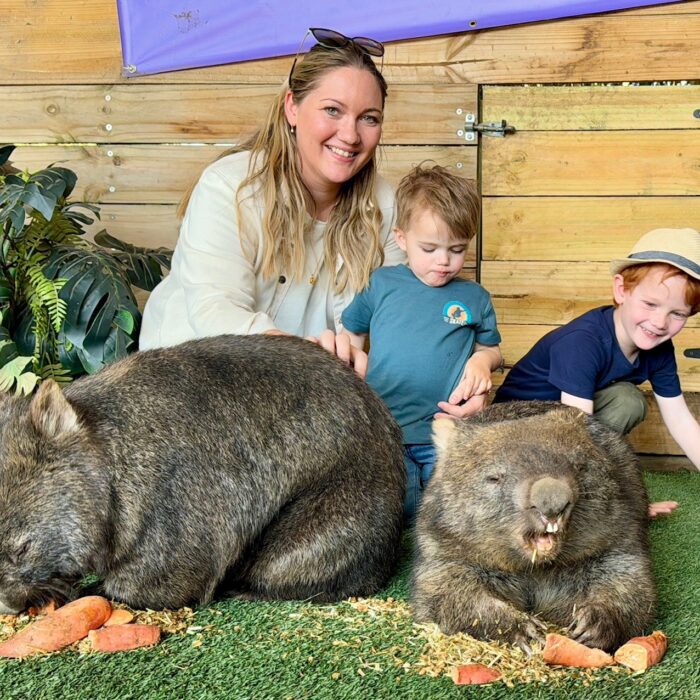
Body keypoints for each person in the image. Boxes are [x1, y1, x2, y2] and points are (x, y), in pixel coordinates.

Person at [139, 28, 405, 377]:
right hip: (192, 382)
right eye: (332, 110)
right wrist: (304, 360)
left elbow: (400, 314)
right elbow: (215, 309)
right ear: (292, 107)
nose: (351, 135)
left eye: (368, 118)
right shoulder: (230, 186)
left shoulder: (383, 205)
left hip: (309, 396)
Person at [494, 227, 700, 517]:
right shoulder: (583, 341)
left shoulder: (659, 348)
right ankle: (571, 500)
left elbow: (680, 419)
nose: (660, 322)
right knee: (591, 429)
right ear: (621, 290)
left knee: (627, 400)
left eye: (677, 313)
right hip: (513, 432)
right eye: (650, 304)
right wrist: (626, 502)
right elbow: (574, 430)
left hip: (562, 424)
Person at [341, 164, 503, 522]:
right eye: (429, 248)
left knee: (448, 514)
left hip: (445, 432)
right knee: (392, 511)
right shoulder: (381, 284)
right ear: (401, 239)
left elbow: (491, 350)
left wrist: (482, 362)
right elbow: (351, 337)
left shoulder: (474, 297)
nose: (444, 261)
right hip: (385, 430)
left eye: (457, 249)